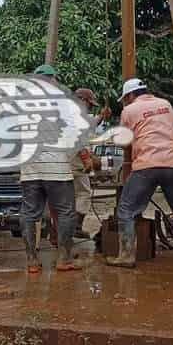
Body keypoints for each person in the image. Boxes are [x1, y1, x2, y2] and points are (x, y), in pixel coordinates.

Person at [108, 78, 173, 268]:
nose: (125, 102)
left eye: (125, 98)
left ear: (131, 95)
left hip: (147, 164)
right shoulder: (166, 104)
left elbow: (123, 141)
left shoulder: (129, 110)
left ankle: (126, 255)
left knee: (126, 209)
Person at [20, 64, 81, 273]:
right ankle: (64, 258)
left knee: (30, 214)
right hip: (57, 166)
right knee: (65, 212)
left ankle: (31, 261)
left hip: (30, 168)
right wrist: (67, 159)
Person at [71, 88, 104, 241]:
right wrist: (86, 158)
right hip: (75, 162)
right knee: (83, 194)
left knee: (67, 196)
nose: (90, 108)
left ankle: (61, 229)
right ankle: (76, 227)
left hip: (66, 162)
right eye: (90, 104)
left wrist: (101, 117)